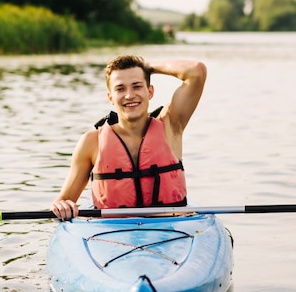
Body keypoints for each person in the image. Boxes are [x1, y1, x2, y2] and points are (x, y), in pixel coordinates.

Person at [50, 55, 207, 220]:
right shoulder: (91, 142)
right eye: (120, 89)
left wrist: (147, 66)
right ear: (110, 97)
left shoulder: (171, 125)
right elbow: (64, 200)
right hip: (111, 236)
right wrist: (62, 206)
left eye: (137, 86)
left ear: (150, 91)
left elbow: (196, 71)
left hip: (171, 233)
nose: (129, 95)